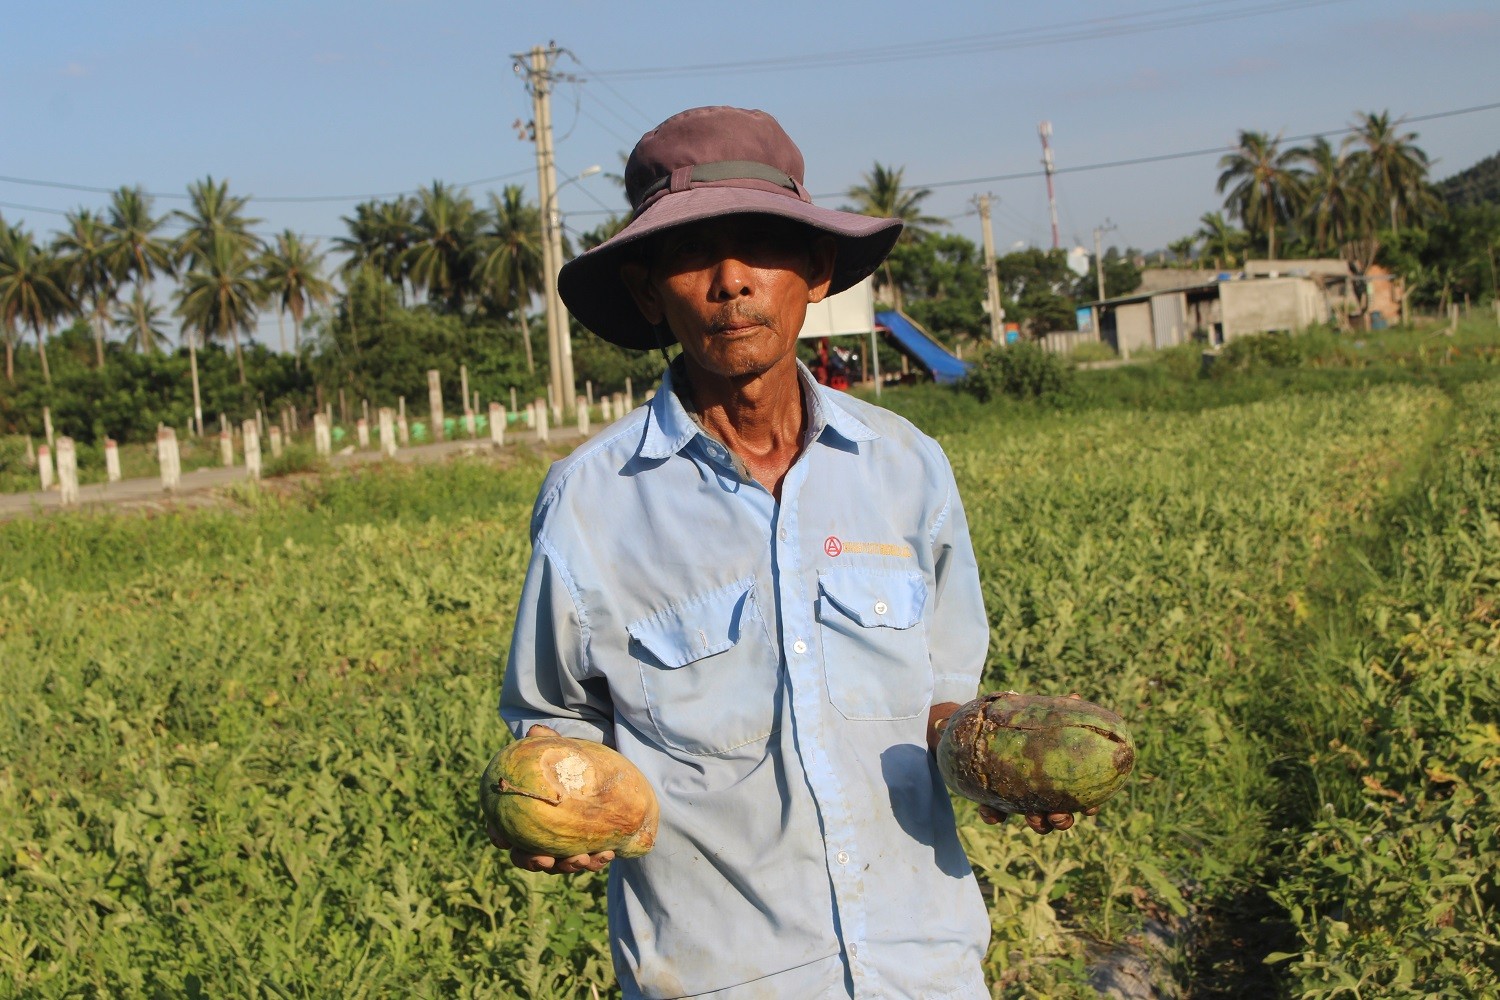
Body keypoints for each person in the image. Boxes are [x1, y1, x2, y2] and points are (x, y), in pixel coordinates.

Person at [494, 106, 1083, 1000]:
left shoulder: (906, 468)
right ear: (652, 294)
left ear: (813, 273)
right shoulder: (591, 501)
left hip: (922, 968)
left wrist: (1002, 760)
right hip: (723, 977)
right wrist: (553, 805)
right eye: (694, 257)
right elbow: (554, 718)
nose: (732, 282)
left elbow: (942, 702)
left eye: (762, 249)